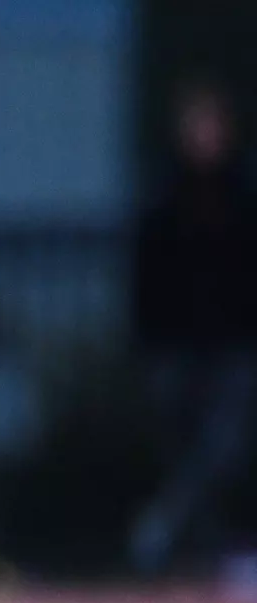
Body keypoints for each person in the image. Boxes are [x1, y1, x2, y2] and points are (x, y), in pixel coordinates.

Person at [131, 81, 257, 575]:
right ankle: (200, 549)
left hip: (232, 340)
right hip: (175, 342)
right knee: (183, 448)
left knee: (224, 446)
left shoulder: (242, 192)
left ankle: (164, 530)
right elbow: (147, 273)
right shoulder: (165, 195)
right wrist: (148, 338)